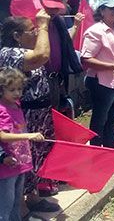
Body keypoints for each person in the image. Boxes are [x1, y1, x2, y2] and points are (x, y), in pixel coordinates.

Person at [0, 11, 62, 210]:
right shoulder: (8, 52)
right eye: (31, 30)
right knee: (22, 158)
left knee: (35, 157)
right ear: (16, 36)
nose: (36, 34)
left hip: (39, 114)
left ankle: (32, 197)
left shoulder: (24, 49)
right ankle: (20, 206)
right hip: (22, 115)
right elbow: (41, 56)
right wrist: (43, 25)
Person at [80, 0, 114, 148]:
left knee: (110, 118)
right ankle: (96, 152)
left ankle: (109, 151)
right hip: (102, 80)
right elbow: (86, 59)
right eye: (111, 9)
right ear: (101, 10)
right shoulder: (95, 31)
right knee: (100, 119)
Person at [0, 68, 45, 221]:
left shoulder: (16, 105)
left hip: (19, 161)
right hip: (7, 164)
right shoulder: (2, 110)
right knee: (5, 205)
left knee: (16, 202)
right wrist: (29, 135)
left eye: (19, 88)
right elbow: (2, 136)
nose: (17, 93)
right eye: (12, 89)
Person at [38, 0, 84, 110]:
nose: (53, 11)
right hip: (39, 81)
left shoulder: (59, 21)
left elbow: (66, 42)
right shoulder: (32, 23)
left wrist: (75, 26)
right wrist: (41, 26)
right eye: (49, 6)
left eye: (56, 7)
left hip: (57, 78)